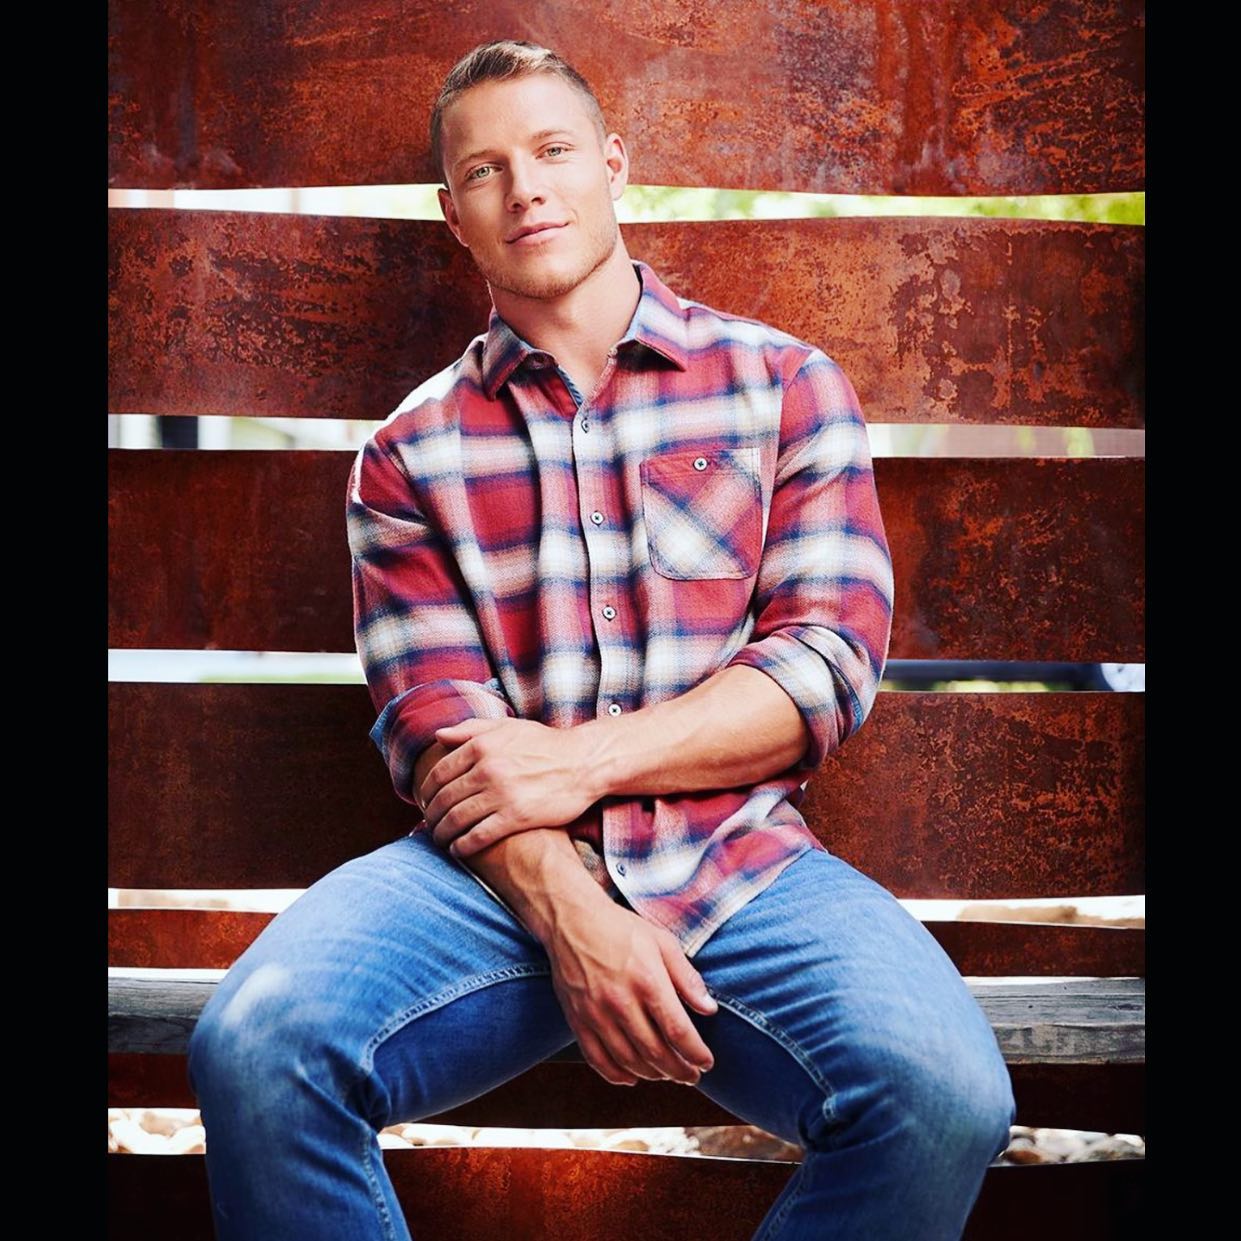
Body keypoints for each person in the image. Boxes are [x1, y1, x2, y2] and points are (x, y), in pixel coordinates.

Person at [187, 39, 1016, 1240]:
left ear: (612, 166)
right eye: (484, 170)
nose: (524, 186)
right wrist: (576, 913)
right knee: (259, 1044)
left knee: (942, 1093)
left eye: (552, 150)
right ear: (453, 217)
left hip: (737, 872)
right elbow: (440, 738)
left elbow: (824, 665)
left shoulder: (780, 385)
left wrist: (580, 761)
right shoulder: (407, 455)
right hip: (488, 889)